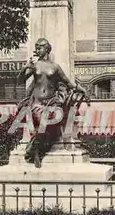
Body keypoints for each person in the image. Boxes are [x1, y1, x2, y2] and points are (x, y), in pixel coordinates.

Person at [17, 38, 88, 167]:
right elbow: (20, 81)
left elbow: (68, 83)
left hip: (51, 102)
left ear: (47, 49)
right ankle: (36, 152)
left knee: (52, 126)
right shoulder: (34, 65)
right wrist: (25, 68)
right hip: (37, 102)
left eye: (40, 47)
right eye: (36, 47)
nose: (37, 50)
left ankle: (35, 150)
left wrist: (81, 88)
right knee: (43, 125)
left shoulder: (55, 67)